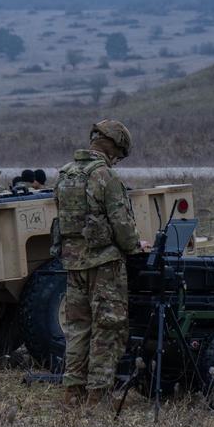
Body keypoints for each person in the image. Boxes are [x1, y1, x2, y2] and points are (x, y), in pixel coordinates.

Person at [53, 119, 149, 407]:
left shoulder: (66, 175)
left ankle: (73, 391)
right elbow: (122, 225)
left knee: (79, 327)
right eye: (119, 154)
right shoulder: (106, 177)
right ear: (114, 148)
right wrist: (136, 248)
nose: (118, 160)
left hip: (73, 264)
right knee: (108, 327)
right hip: (104, 265)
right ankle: (98, 395)